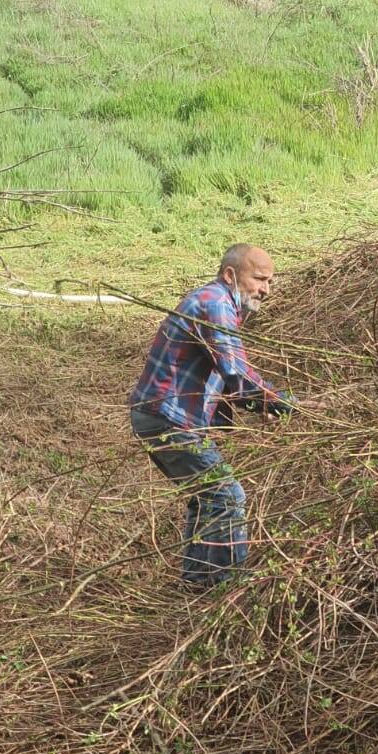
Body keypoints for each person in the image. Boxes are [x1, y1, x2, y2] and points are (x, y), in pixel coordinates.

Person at [128, 244, 294, 591]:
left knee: (209, 497)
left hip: (165, 416)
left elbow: (222, 379)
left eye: (270, 281)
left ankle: (199, 584)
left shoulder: (221, 303)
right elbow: (238, 375)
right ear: (231, 275)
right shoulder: (215, 303)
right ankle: (225, 587)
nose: (266, 289)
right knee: (226, 496)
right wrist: (289, 405)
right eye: (260, 279)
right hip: (168, 418)